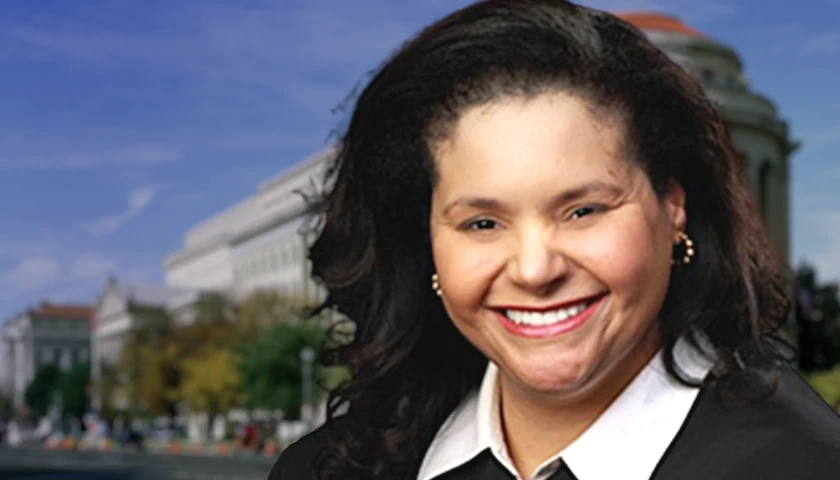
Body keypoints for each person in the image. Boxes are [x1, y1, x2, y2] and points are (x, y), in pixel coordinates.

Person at [268, 1, 840, 479]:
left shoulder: (803, 464)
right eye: (482, 223)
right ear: (427, 242)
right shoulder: (325, 468)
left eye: (583, 210)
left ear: (673, 209)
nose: (536, 269)